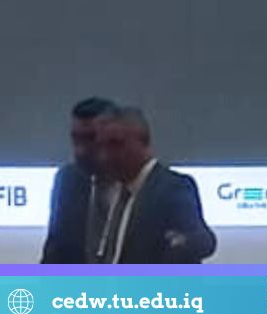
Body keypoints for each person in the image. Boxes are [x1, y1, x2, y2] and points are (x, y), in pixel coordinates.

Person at [90, 106, 216, 264]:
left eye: (116, 144)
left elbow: (202, 240)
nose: (106, 155)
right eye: (101, 146)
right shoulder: (109, 192)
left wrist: (183, 242)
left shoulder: (173, 188)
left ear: (143, 141)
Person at [40, 97, 118, 264]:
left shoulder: (149, 186)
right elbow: (54, 252)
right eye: (76, 139)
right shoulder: (68, 180)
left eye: (90, 139)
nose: (80, 151)